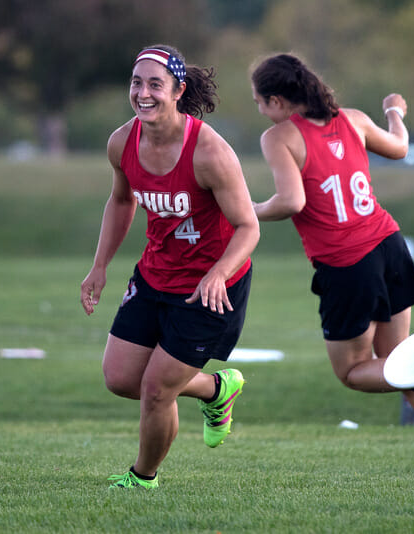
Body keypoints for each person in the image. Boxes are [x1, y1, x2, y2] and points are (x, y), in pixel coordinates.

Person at [250, 53, 414, 470]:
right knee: (398, 362)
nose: (261, 112)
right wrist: (393, 111)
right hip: (389, 245)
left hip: (347, 264)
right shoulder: (352, 118)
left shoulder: (280, 137)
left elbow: (291, 201)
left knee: (354, 372)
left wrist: (247, 208)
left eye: (261, 103)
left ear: (279, 101)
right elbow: (401, 146)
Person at [80, 44, 260, 489]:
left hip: (209, 286)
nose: (143, 93)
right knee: (121, 378)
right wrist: (99, 267)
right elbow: (122, 200)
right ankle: (216, 390)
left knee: (157, 390)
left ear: (178, 91)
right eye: (136, 83)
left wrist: (218, 272)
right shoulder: (122, 143)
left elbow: (248, 226)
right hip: (155, 273)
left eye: (155, 84)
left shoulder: (210, 152)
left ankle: (143, 478)